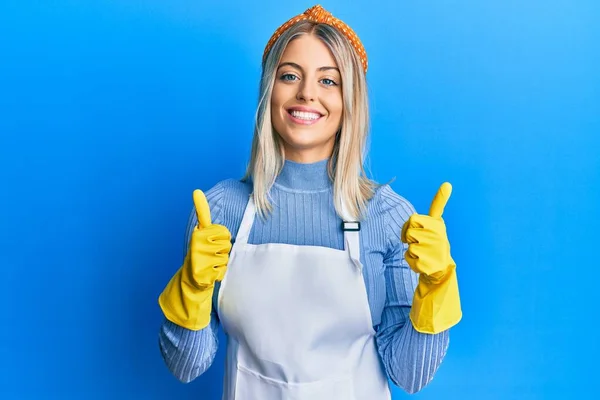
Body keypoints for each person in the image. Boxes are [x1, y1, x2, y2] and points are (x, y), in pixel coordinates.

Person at [157, 4, 462, 399]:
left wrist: (436, 286)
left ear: (350, 101)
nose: (307, 93)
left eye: (329, 81)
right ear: (270, 92)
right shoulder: (220, 212)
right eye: (290, 76)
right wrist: (192, 287)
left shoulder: (388, 218)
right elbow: (185, 367)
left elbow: (410, 375)